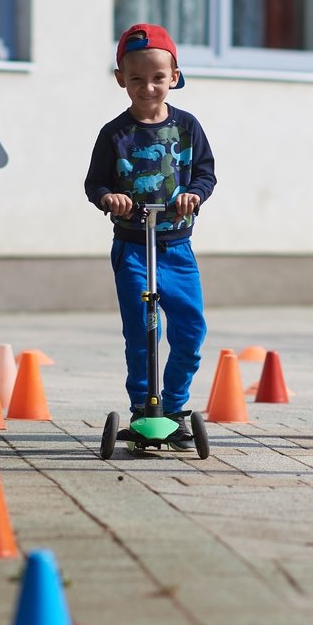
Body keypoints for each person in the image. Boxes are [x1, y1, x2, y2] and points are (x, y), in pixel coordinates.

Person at [84, 23, 216, 448]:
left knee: (190, 330)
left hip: (177, 247)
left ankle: (174, 407)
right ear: (121, 78)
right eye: (137, 78)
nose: (148, 87)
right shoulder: (114, 134)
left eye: (158, 77)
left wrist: (194, 195)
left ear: (174, 77)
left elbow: (205, 174)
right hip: (133, 248)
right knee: (143, 333)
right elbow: (95, 184)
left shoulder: (187, 127)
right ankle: (144, 408)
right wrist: (110, 199)